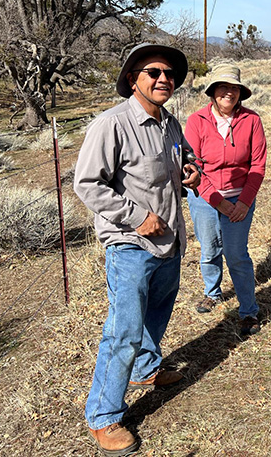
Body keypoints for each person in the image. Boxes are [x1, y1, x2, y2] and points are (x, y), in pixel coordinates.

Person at [73, 43, 201, 456]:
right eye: (153, 72)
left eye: (169, 73)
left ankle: (146, 369)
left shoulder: (169, 123)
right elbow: (87, 184)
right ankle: (103, 416)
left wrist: (190, 170)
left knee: (158, 312)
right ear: (133, 79)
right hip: (131, 244)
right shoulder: (110, 125)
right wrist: (136, 217)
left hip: (169, 239)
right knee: (123, 331)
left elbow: (182, 161)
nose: (164, 78)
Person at [184, 64, 267, 336]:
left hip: (240, 196)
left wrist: (243, 203)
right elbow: (192, 166)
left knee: (236, 254)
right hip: (204, 196)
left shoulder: (252, 120)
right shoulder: (196, 121)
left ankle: (248, 311)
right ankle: (213, 291)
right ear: (212, 92)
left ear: (240, 92)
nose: (228, 93)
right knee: (209, 249)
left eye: (234, 88)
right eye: (223, 87)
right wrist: (218, 201)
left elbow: (257, 165)